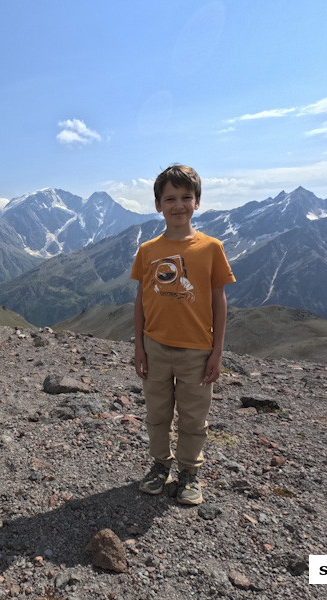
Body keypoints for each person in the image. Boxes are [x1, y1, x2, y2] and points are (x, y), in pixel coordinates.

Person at [130, 164, 235, 505]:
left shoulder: (211, 248)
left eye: (186, 197)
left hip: (197, 352)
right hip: (155, 347)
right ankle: (161, 465)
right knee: (157, 414)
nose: (178, 205)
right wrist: (140, 348)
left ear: (198, 201)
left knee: (193, 418)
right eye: (170, 198)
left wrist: (217, 353)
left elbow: (219, 301)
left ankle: (190, 472)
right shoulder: (147, 251)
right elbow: (141, 301)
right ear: (158, 204)